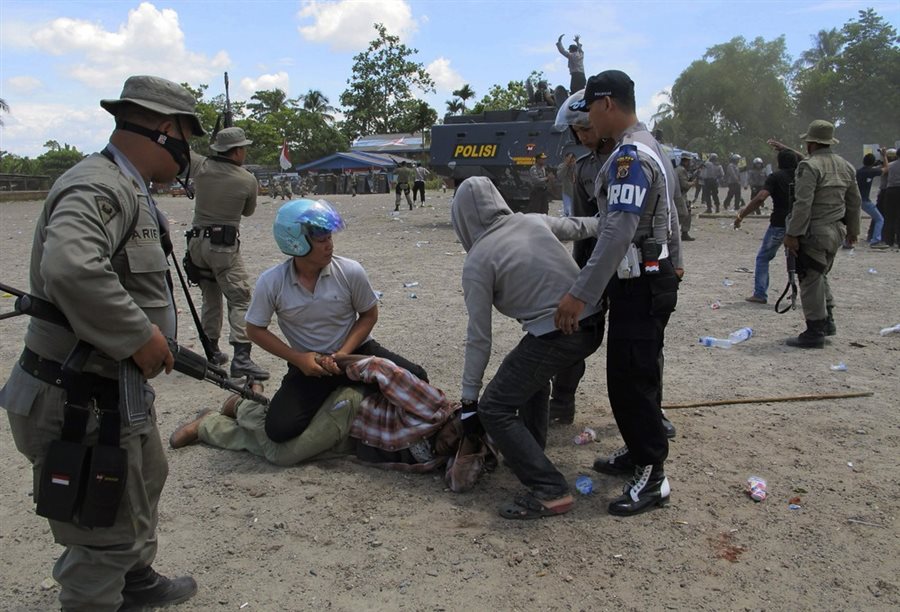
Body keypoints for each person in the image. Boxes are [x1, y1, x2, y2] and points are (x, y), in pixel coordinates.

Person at [0, 75, 200, 611]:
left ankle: (135, 580)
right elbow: (70, 267)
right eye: (189, 134)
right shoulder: (99, 185)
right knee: (99, 532)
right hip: (80, 400)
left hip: (112, 395)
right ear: (164, 129)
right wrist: (138, 336)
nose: (190, 150)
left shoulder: (126, 184)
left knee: (144, 477)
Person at [557, 70, 683, 516]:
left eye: (590, 107)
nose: (588, 117)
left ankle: (653, 477)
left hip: (641, 282)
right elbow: (668, 213)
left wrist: (579, 293)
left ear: (607, 104)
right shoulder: (648, 145)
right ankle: (636, 451)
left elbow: (616, 233)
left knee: (632, 380)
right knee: (630, 374)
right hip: (647, 278)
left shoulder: (629, 155)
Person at [451, 176, 603, 520]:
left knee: (495, 407)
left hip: (559, 333)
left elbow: (479, 337)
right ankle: (531, 450)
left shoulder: (478, 261)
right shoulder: (532, 220)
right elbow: (580, 226)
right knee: (527, 377)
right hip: (591, 322)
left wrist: (470, 400)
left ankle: (549, 490)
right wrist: (620, 219)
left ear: (461, 219)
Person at [245, 199, 428, 442]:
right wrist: (298, 358)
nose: (329, 245)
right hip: (310, 364)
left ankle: (348, 398)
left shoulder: (350, 271)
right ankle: (241, 405)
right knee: (279, 430)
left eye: (330, 238)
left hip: (355, 352)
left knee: (418, 380)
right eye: (321, 240)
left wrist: (343, 353)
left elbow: (369, 315)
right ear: (295, 242)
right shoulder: (271, 282)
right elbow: (254, 329)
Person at [187, 127, 269, 379]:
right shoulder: (246, 179)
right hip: (223, 246)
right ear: (236, 152)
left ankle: (212, 352)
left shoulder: (200, 166)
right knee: (240, 298)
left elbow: (185, 151)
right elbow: (248, 211)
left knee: (210, 297)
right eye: (243, 148)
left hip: (196, 244)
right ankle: (241, 358)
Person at [783, 120, 860, 348]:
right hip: (836, 230)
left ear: (812, 143)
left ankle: (815, 330)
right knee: (820, 274)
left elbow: (803, 204)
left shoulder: (810, 166)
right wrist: (853, 231)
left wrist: (792, 234)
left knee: (809, 277)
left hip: (814, 231)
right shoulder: (846, 166)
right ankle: (828, 321)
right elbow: (854, 203)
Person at [735, 149, 799, 304]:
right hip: (800, 223)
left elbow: (761, 197)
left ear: (779, 162)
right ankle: (809, 295)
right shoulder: (803, 176)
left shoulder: (775, 177)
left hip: (779, 224)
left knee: (763, 258)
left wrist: (742, 215)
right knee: (803, 260)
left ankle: (760, 293)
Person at [857, 152, 890, 248]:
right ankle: (875, 240)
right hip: (865, 200)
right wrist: (884, 156)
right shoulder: (871, 171)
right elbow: (887, 169)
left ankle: (847, 241)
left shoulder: (859, 171)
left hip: (855, 199)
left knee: (853, 220)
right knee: (880, 219)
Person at [881, 148, 900, 248]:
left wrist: (884, 156)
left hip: (891, 190)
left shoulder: (891, 165)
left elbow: (884, 171)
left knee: (890, 216)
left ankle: (889, 240)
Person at [675, 156, 696, 241]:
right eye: (689, 162)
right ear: (686, 161)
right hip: (679, 195)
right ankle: (674, 230)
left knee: (687, 212)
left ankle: (684, 232)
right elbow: (684, 185)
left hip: (681, 195)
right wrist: (692, 183)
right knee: (683, 214)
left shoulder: (679, 169)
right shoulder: (681, 170)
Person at [557, 152, 577, 216]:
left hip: (576, 192)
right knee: (567, 211)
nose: (571, 160)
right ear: (565, 158)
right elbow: (560, 176)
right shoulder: (562, 166)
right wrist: (567, 165)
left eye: (573, 159)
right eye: (569, 158)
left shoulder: (577, 166)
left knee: (575, 211)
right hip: (567, 192)